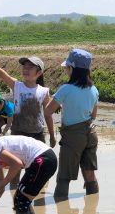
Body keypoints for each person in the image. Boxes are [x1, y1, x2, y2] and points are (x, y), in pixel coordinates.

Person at [45, 48, 99, 198]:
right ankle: (92, 204)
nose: (66, 71)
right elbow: (93, 115)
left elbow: (48, 111)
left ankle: (61, 204)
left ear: (72, 69)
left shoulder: (65, 89)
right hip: (91, 134)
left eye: (67, 68)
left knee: (64, 176)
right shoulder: (94, 89)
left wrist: (60, 105)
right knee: (90, 174)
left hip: (73, 137)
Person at [0, 45, 56, 147]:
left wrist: (52, 136)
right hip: (17, 133)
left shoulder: (44, 92)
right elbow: (1, 72)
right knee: (18, 162)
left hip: (37, 134)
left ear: (39, 72)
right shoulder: (16, 86)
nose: (26, 69)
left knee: (36, 162)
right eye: (24, 67)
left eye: (30, 67)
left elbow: (48, 115)